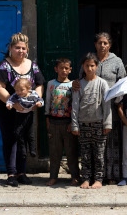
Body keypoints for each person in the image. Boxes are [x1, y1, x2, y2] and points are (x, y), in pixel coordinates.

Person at [0, 32, 45, 187]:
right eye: (17, 48)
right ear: (10, 48)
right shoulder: (3, 66)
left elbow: (39, 84)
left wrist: (35, 101)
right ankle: (11, 173)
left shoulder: (32, 66)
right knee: (10, 140)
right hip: (6, 111)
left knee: (23, 141)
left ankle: (22, 173)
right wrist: (13, 103)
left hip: (26, 112)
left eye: (23, 48)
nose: (21, 51)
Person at [73, 32, 126, 184]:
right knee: (92, 147)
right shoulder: (89, 60)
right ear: (95, 44)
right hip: (90, 111)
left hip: (111, 107)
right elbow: (80, 81)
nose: (102, 45)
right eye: (99, 43)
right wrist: (74, 83)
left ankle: (111, 175)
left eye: (105, 43)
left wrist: (118, 99)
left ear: (110, 45)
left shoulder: (117, 61)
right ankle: (90, 176)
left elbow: (123, 83)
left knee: (110, 142)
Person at [71, 53, 112, 189]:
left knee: (99, 154)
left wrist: (107, 123)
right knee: (85, 154)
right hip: (83, 125)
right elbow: (75, 106)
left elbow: (106, 105)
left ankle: (98, 179)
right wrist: (75, 125)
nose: (89, 68)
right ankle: (86, 179)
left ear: (97, 66)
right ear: (83, 66)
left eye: (92, 65)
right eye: (87, 65)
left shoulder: (102, 83)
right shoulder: (79, 84)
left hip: (98, 124)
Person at [44, 58, 80, 186]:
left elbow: (75, 104)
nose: (63, 70)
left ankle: (75, 176)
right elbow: (48, 101)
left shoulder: (73, 85)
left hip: (68, 123)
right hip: (54, 122)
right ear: (56, 69)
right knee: (54, 152)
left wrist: (73, 122)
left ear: (70, 70)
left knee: (71, 152)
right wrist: (47, 118)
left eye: (66, 68)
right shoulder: (50, 84)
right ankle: (53, 176)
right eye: (61, 68)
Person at [6, 77, 44, 159]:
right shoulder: (16, 95)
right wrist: (9, 105)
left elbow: (41, 100)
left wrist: (39, 104)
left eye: (21, 90)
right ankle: (23, 150)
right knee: (18, 133)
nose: (19, 92)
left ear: (28, 88)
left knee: (30, 134)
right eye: (17, 90)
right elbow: (10, 100)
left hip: (29, 115)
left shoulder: (33, 94)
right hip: (20, 116)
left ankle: (32, 150)